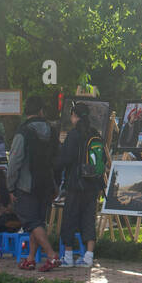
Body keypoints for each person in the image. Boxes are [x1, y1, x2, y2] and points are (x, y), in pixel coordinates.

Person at [6, 95, 61, 271]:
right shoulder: (52, 131)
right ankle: (30, 258)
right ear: (41, 111)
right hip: (46, 183)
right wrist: (55, 184)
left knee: (31, 222)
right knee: (38, 222)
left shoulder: (23, 132)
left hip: (26, 184)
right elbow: (57, 159)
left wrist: (10, 186)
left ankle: (51, 255)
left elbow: (15, 161)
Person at [55, 105, 101, 267]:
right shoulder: (94, 133)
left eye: (72, 116)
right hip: (93, 184)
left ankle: (68, 257)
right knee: (89, 218)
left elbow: (65, 159)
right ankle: (88, 256)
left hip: (76, 183)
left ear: (75, 116)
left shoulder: (74, 134)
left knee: (70, 218)